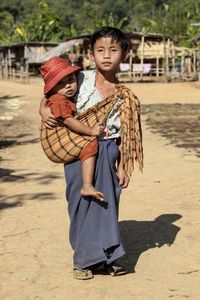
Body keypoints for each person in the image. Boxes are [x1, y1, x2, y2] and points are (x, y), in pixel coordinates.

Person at [39, 26, 143, 280]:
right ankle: (84, 261)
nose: (106, 55)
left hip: (107, 152)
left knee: (107, 204)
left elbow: (124, 137)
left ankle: (111, 257)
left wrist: (122, 166)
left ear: (125, 55)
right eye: (100, 50)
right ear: (91, 54)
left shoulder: (125, 96)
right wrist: (42, 111)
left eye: (114, 50)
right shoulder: (79, 79)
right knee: (80, 204)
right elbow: (48, 95)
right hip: (78, 151)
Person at [40, 56, 104, 200]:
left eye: (70, 80)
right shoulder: (59, 100)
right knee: (90, 145)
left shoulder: (60, 97)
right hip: (62, 139)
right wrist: (91, 131)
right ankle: (87, 186)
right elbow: (69, 121)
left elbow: (46, 97)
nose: (67, 86)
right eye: (60, 84)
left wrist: (41, 108)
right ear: (53, 88)